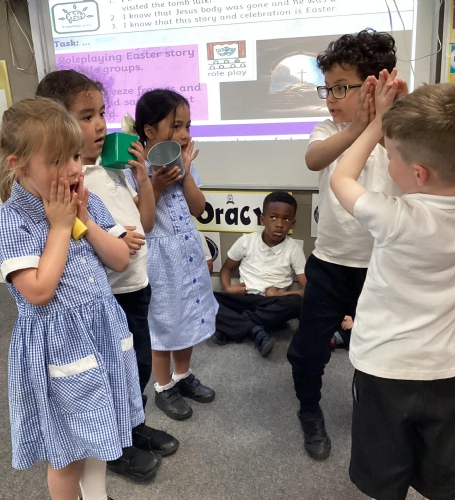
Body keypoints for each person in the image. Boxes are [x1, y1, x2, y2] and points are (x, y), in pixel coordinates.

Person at [0, 97, 145, 500]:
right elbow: (39, 292)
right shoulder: (10, 221)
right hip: (59, 347)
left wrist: (84, 220)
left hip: (99, 332)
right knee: (68, 453)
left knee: (101, 431)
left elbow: (120, 258)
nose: (74, 169)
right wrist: (60, 227)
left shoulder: (82, 199)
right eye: (58, 161)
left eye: (75, 155)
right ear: (19, 165)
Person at [36, 69, 179, 481]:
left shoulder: (110, 169)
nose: (100, 124)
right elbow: (69, 235)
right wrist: (110, 237)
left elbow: (145, 223)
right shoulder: (68, 181)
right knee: (114, 372)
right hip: (107, 297)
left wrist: (142, 178)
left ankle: (132, 425)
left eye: (101, 113)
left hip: (136, 286)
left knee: (138, 367)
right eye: (86, 116)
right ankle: (113, 445)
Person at [331, 71, 455, 500]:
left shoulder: (394, 217)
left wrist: (376, 123)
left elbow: (341, 178)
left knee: (383, 475)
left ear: (418, 173)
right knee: (444, 475)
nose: (386, 156)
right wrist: (401, 121)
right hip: (447, 371)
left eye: (391, 153)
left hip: (385, 370)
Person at [286, 29, 401, 461]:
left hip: (382, 266)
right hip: (330, 264)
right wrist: (357, 127)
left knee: (380, 350)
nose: (330, 98)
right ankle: (309, 410)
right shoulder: (329, 128)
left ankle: (375, 413)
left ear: (371, 86)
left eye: (340, 88)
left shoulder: (398, 131)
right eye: (327, 88)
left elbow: (412, 160)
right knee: (308, 351)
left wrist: (382, 119)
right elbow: (314, 159)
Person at [125, 89, 218, 421]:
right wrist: (156, 184)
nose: (184, 134)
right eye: (176, 126)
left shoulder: (181, 163)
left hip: (187, 253)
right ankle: (163, 386)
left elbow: (198, 208)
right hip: (158, 259)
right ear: (150, 130)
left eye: (187, 126)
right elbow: (138, 219)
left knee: (188, 314)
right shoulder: (133, 169)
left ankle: (182, 374)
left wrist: (187, 173)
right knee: (163, 321)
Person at [212, 191, 306, 357]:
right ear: (262, 219)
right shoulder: (246, 241)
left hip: (272, 303)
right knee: (204, 299)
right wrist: (228, 288)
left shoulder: (294, 249)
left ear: (293, 223)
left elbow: (308, 289)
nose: (279, 224)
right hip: (244, 297)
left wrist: (277, 294)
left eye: (286, 219)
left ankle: (233, 326)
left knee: (296, 303)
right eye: (273, 217)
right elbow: (226, 269)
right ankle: (254, 327)